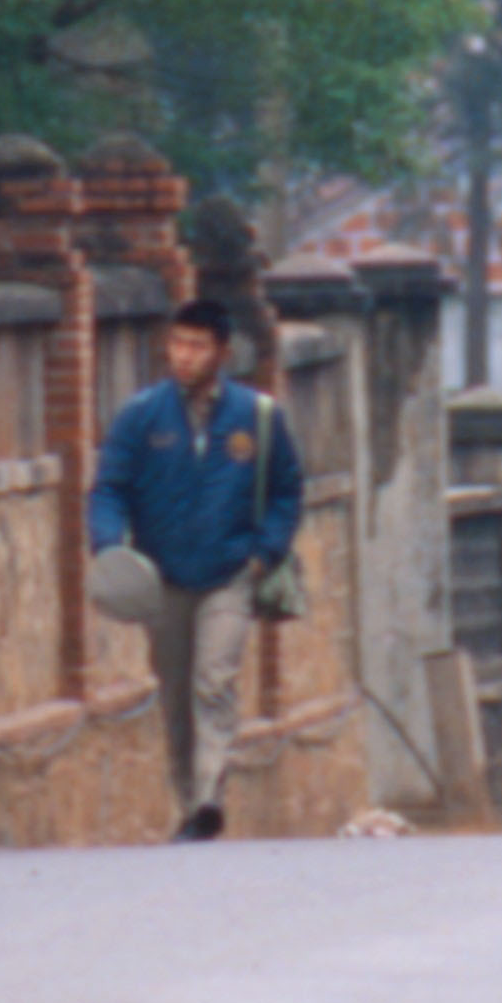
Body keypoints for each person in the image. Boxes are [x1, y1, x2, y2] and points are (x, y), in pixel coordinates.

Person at [86, 294, 304, 842]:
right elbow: (108, 489)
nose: (184, 355)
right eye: (178, 343)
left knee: (214, 680)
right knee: (177, 694)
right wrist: (109, 548)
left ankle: (210, 794)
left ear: (223, 352)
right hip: (161, 579)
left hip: (230, 574)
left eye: (197, 346)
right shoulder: (141, 416)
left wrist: (265, 552)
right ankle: (190, 804)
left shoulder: (258, 417)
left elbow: (287, 489)